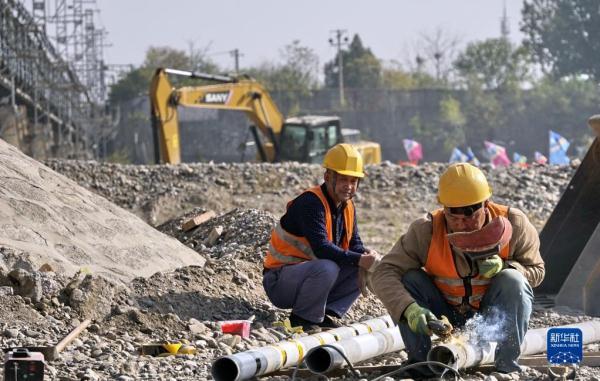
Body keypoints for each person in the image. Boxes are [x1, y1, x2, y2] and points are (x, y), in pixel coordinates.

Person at [372, 162, 545, 375]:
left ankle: (506, 367)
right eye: (454, 217)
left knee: (513, 280)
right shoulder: (426, 230)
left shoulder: (515, 223)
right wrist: (409, 308)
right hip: (444, 316)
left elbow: (537, 270)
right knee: (410, 278)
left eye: (470, 215)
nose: (462, 225)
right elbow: (384, 272)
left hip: (491, 317)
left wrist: (507, 266)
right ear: (444, 208)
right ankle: (419, 364)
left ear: (486, 204)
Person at [263, 143, 379, 330]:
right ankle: (302, 318)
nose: (349, 187)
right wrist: (359, 259)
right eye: (343, 180)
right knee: (329, 266)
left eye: (353, 181)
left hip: (307, 276)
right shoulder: (311, 203)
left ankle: (323, 313)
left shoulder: (347, 206)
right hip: (279, 281)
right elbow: (321, 248)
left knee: (359, 266)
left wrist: (367, 255)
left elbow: (354, 243)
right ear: (327, 177)